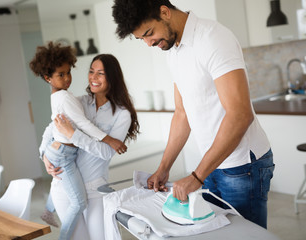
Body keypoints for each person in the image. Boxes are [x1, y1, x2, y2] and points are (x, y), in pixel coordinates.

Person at [112, 0, 274, 229]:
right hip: (211, 163)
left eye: (149, 33)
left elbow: (240, 115)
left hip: (242, 166)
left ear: (165, 12)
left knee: (246, 235)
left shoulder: (212, 38)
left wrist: (197, 177)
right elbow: (182, 113)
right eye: (142, 40)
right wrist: (164, 168)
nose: (149, 43)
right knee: (215, 232)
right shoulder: (173, 50)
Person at [29, 43, 128, 239]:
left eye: (101, 73)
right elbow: (52, 127)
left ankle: (49, 211)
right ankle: (50, 212)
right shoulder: (79, 100)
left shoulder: (122, 114)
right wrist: (44, 155)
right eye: (91, 71)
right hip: (63, 184)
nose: (93, 77)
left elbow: (106, 152)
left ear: (113, 77)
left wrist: (73, 135)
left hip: (94, 189)